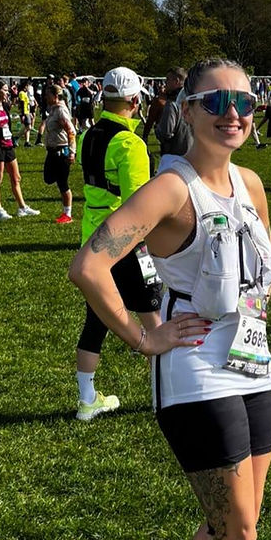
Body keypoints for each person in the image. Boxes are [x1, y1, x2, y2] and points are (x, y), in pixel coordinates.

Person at [69, 57, 271, 540]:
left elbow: (259, 265)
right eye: (215, 99)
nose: (233, 111)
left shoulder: (250, 182)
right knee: (237, 531)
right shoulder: (169, 187)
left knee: (233, 525)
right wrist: (139, 334)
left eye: (245, 99)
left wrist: (247, 316)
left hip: (253, 364)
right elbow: (89, 264)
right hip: (193, 375)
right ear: (184, 109)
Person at [72, 66, 161, 421]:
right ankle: (163, 396)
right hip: (125, 243)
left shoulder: (86, 136)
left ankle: (86, 399)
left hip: (92, 239)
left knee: (96, 318)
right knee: (153, 318)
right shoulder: (130, 144)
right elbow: (138, 205)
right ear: (135, 100)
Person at [0, 79, 40, 221]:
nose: (8, 92)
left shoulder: (5, 106)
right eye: (5, 90)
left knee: (16, 177)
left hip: (8, 145)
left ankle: (22, 207)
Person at [42, 84, 77, 224]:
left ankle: (67, 214)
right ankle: (66, 211)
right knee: (48, 178)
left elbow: (71, 131)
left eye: (48, 94)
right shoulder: (53, 110)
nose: (45, 97)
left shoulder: (61, 111)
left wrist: (72, 152)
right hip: (52, 151)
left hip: (61, 152)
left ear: (55, 96)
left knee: (63, 183)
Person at [154, 68, 192, 162]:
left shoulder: (172, 103)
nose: (165, 83)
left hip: (174, 157)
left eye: (167, 79)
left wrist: (157, 128)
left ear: (176, 81)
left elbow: (165, 133)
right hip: (192, 155)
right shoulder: (194, 100)